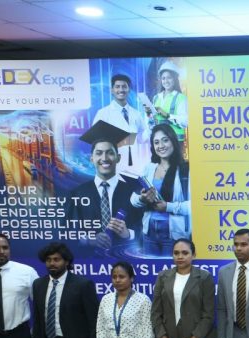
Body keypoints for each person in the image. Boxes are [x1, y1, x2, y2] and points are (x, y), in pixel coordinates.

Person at [66, 138, 142, 251]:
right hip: (89, 258)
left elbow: (145, 229)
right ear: (91, 159)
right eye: (99, 153)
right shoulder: (77, 193)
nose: (105, 158)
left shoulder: (133, 192)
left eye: (110, 153)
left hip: (125, 255)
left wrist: (129, 234)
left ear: (118, 158)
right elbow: (68, 232)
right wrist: (90, 240)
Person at [31, 242, 99, 338]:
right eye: (48, 260)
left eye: (56, 259)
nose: (52, 263)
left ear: (67, 262)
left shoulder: (83, 285)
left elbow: (94, 321)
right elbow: (37, 320)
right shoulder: (38, 284)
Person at [151, 239, 214, 338]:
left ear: (193, 255)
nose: (180, 256)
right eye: (176, 253)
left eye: (185, 253)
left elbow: (208, 316)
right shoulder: (162, 277)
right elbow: (156, 314)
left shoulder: (204, 277)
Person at [131, 123, 191, 256]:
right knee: (151, 269)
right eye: (156, 142)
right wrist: (142, 198)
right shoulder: (148, 168)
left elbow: (194, 206)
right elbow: (133, 199)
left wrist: (168, 207)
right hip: (149, 233)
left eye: (165, 140)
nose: (161, 146)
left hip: (175, 235)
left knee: (171, 269)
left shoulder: (185, 170)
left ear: (173, 141)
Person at [95, 262, 154, 338]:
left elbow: (147, 331)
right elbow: (101, 328)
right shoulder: (106, 299)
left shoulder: (143, 300)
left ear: (131, 278)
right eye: (114, 277)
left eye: (121, 277)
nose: (117, 280)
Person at [92, 74, 148, 169]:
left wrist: (150, 128)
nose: (121, 90)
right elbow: (95, 140)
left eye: (124, 87)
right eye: (117, 87)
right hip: (112, 164)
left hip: (134, 165)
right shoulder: (103, 113)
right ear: (112, 90)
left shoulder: (136, 114)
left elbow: (141, 139)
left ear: (129, 90)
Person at [148, 61, 187, 141]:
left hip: (175, 141)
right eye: (163, 78)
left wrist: (167, 115)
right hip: (160, 140)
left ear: (175, 79)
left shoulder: (181, 98)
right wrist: (149, 114)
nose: (166, 81)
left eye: (169, 77)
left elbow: (185, 121)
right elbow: (153, 121)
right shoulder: (156, 98)